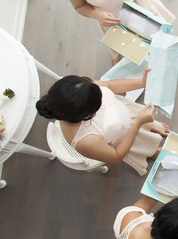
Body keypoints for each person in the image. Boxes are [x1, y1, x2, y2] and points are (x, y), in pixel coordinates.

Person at [36, 72, 169, 175]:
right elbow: (116, 156)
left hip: (127, 111)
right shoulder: (85, 142)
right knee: (144, 145)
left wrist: (142, 82)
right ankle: (150, 152)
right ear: (88, 114)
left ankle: (151, 127)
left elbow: (109, 85)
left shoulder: (77, 88)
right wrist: (138, 123)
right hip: (125, 139)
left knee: (148, 124)